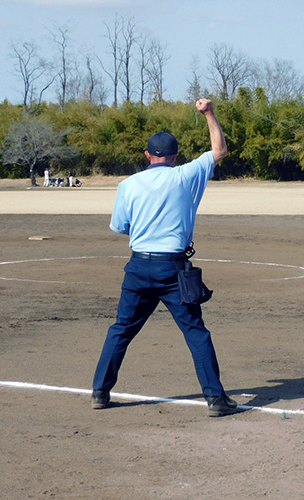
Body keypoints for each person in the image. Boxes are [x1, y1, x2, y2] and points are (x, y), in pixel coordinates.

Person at [91, 98, 238, 418]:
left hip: (139, 266)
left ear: (147, 155)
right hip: (173, 269)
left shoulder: (128, 184)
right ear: (175, 155)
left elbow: (120, 227)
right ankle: (215, 399)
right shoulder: (186, 175)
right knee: (196, 332)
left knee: (121, 329)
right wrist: (209, 113)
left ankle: (100, 392)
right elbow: (219, 151)